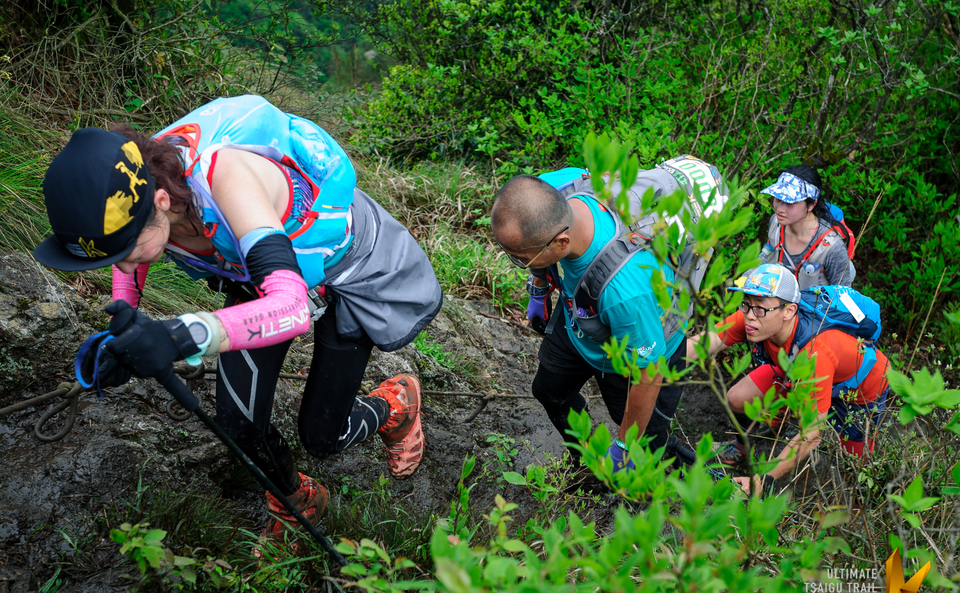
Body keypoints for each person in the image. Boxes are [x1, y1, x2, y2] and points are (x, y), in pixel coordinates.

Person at [33, 95, 443, 554]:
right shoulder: (140, 197)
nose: (123, 265)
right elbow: (126, 256)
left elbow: (290, 310)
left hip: (344, 271)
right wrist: (122, 325)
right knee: (238, 423)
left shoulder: (226, 180)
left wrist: (177, 336)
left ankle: (395, 405)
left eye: (125, 250)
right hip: (257, 271)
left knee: (323, 438)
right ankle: (297, 500)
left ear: (162, 201)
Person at [489, 158, 725, 471]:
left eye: (521, 259)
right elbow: (535, 233)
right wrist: (539, 285)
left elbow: (650, 373)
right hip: (582, 315)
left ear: (561, 242)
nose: (517, 262)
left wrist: (624, 447)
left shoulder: (628, 290)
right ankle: (588, 462)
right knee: (549, 391)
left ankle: (697, 481)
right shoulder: (555, 190)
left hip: (642, 345)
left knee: (647, 441)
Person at [688, 264, 890, 496]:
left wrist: (763, 479)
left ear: (789, 311)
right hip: (798, 375)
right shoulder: (757, 318)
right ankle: (741, 448)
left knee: (857, 467)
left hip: (859, 390)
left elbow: (812, 434)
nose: (750, 316)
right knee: (737, 397)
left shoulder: (816, 352)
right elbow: (705, 341)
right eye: (746, 305)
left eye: (760, 308)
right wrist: (656, 366)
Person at [758, 164, 856, 289]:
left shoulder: (832, 247)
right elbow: (766, 255)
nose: (779, 209)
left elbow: (842, 298)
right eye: (778, 198)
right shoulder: (776, 223)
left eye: (789, 202)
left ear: (811, 205)